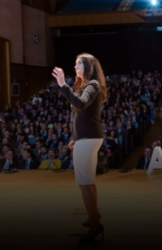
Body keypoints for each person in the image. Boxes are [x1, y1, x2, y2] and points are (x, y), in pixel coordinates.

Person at [52, 53, 107, 242]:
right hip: (87, 137)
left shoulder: (92, 85)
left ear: (89, 67)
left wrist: (62, 85)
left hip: (89, 138)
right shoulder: (87, 86)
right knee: (89, 181)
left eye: (79, 64)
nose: (75, 67)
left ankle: (95, 226)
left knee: (84, 183)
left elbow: (80, 104)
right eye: (75, 64)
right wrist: (75, 137)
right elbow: (81, 114)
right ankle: (94, 217)